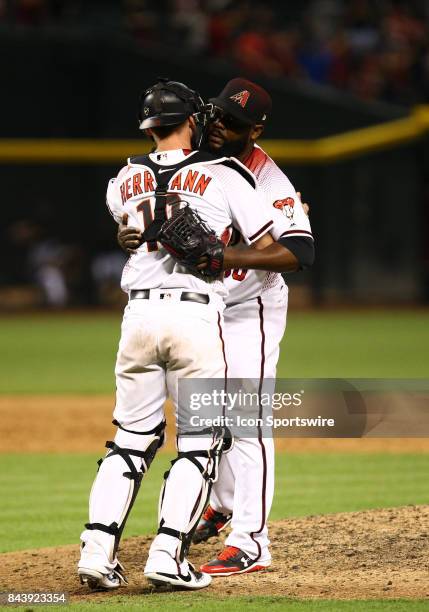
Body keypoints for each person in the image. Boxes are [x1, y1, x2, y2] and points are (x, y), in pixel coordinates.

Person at [77, 78, 281, 591]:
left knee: (128, 443)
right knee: (197, 443)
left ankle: (97, 552)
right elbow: (271, 244)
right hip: (194, 318)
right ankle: (167, 555)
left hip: (136, 320)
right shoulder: (226, 172)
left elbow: (131, 228)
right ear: (193, 120)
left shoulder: (120, 180)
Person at [118, 78, 314, 577]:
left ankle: (252, 540)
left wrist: (220, 254)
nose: (222, 127)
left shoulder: (269, 180)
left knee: (247, 419)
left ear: (258, 129)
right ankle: (222, 503)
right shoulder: (193, 161)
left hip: (251, 307)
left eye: (236, 123)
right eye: (219, 115)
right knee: (205, 416)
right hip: (202, 310)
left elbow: (299, 251)